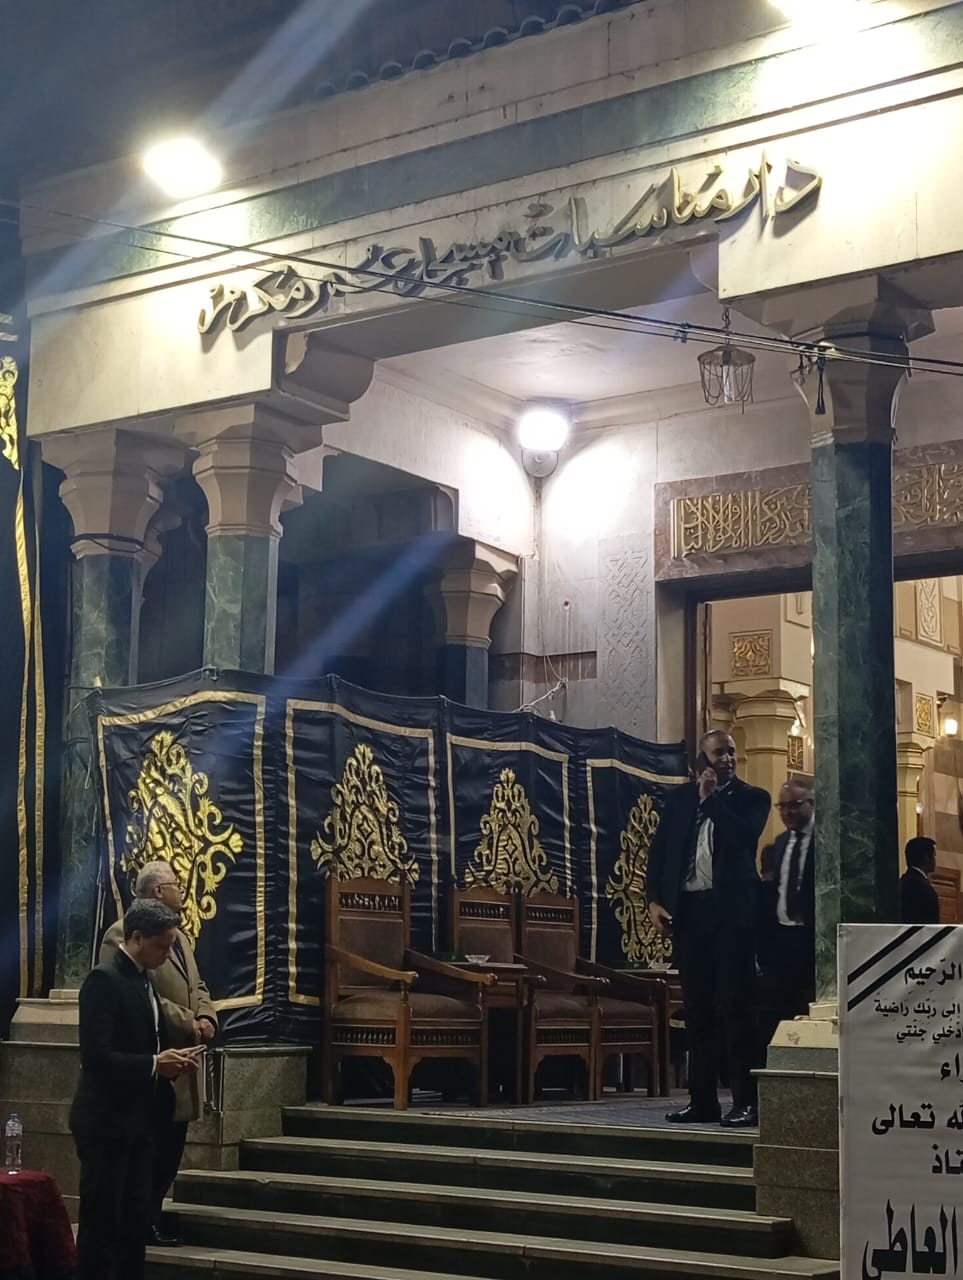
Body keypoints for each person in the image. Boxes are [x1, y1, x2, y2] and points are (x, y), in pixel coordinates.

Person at [646, 729, 770, 1128]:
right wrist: (654, 900)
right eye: (719, 753)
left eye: (731, 752)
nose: (728, 759)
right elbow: (660, 853)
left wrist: (711, 800)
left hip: (731, 916)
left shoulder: (753, 797)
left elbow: (744, 838)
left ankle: (745, 1101)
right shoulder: (679, 799)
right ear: (701, 760)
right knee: (697, 1010)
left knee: (736, 1007)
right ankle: (702, 1101)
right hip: (690, 915)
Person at [71, 900, 200, 1280]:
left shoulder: (143, 978)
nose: (167, 955)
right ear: (137, 937)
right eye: (162, 946)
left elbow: (146, 1039)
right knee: (102, 1222)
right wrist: (154, 1064)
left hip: (140, 1120)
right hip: (106, 1122)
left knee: (134, 1221)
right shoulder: (104, 980)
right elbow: (97, 1058)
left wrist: (169, 1059)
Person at [100, 861, 217, 1247]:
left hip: (183, 1063)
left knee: (170, 1150)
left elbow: (197, 983)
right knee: (147, 1150)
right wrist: (188, 1022)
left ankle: (151, 1216)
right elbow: (138, 995)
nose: (182, 888)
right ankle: (139, 1222)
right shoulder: (121, 935)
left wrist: (207, 1015)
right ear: (157, 891)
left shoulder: (178, 935)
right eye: (175, 883)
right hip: (152, 1061)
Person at [757, 780, 816, 1043]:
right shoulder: (781, 842)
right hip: (781, 940)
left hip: (811, 938)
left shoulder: (825, 840)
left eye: (795, 805)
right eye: (782, 806)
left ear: (811, 804)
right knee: (778, 1011)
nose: (787, 812)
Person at [900, 835, 940, 923]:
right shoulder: (925, 889)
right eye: (934, 856)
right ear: (926, 858)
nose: (935, 860)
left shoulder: (901, 882)